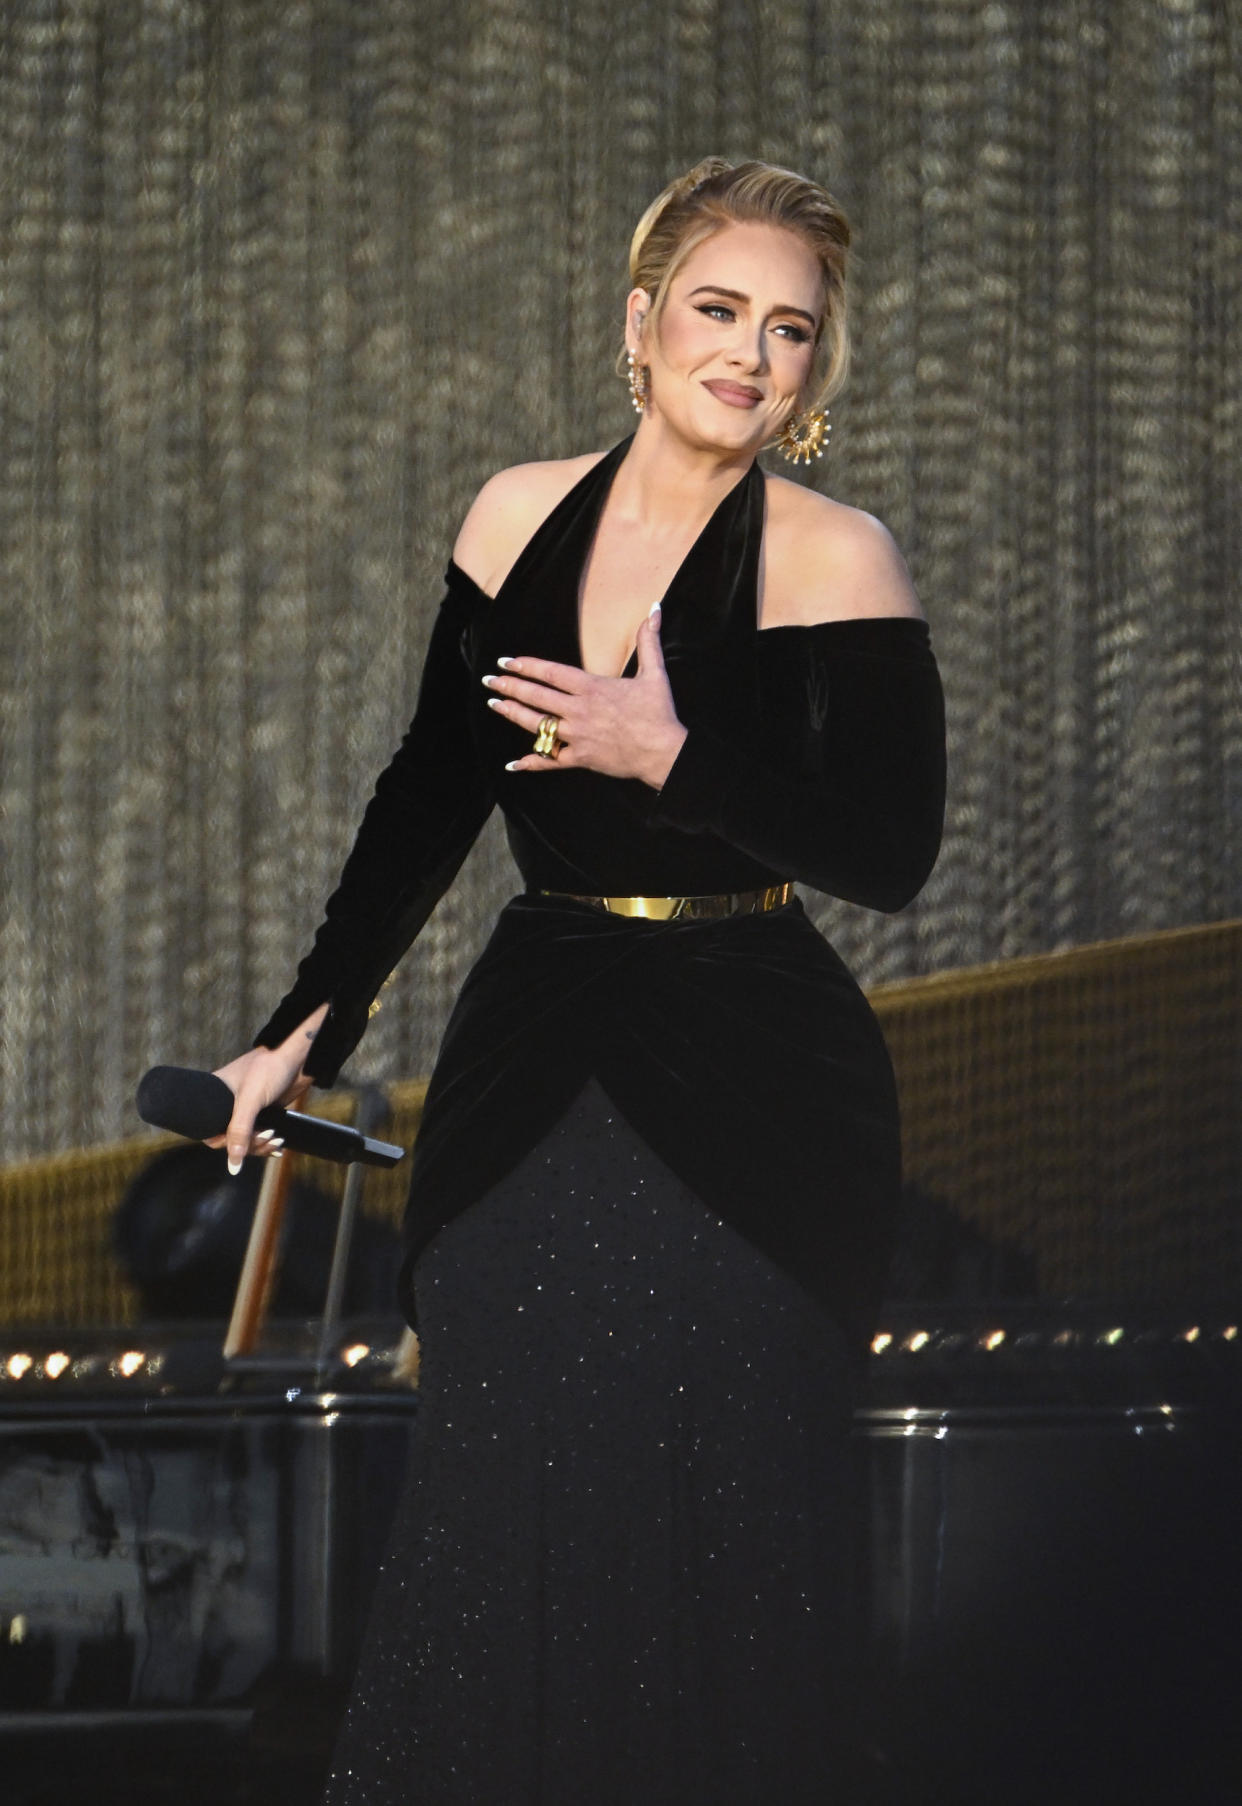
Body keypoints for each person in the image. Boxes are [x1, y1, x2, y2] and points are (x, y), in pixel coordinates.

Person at [210, 157, 946, 1804]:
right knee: (500, 1509)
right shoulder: (512, 516)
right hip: (535, 1058)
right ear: (638, 321)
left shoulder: (838, 555)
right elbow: (422, 808)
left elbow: (892, 854)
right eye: (715, 309)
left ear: (813, 368)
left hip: (759, 1090)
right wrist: (290, 1044)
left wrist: (670, 754)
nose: (748, 355)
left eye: (789, 330)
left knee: (726, 1536)